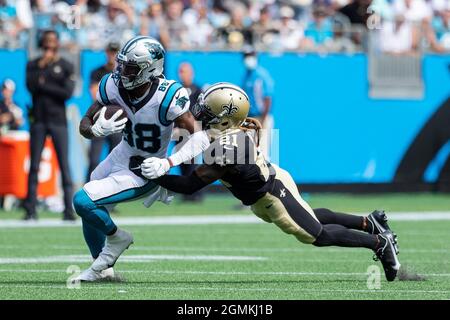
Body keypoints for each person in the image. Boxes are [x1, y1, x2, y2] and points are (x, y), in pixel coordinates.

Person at [147, 82, 401, 282]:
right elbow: (197, 140)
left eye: (206, 110)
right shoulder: (229, 131)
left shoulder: (226, 148)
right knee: (309, 214)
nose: (199, 113)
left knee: (317, 235)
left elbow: (191, 185)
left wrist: (154, 174)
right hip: (273, 179)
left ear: (224, 118)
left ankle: (379, 242)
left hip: (271, 196)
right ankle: (370, 222)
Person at [73, 36, 210, 282]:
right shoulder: (112, 85)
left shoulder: (168, 95)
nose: (122, 71)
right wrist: (93, 131)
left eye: (130, 67)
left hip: (144, 167)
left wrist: (168, 163)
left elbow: (200, 138)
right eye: (122, 64)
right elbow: (85, 120)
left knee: (83, 200)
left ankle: (116, 237)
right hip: (121, 154)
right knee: (90, 205)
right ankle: (103, 269)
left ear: (150, 69)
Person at [24, 30, 76, 221]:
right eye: (46, 44)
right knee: (34, 165)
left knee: (64, 164)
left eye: (52, 43)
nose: (48, 47)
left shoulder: (65, 65)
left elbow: (67, 93)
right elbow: (30, 86)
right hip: (38, 120)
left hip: (58, 120)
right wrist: (42, 73)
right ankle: (30, 210)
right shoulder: (33, 65)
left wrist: (44, 84)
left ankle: (68, 211)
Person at [86, 42, 122, 181]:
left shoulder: (123, 73)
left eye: (115, 52)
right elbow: (95, 95)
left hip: (118, 119)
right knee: (94, 159)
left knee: (116, 159)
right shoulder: (97, 72)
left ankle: (113, 191)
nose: (112, 55)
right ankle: (88, 187)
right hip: (99, 118)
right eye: (110, 52)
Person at [176, 62, 204, 201]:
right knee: (181, 161)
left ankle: (195, 192)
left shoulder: (198, 90)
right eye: (181, 71)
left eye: (184, 71)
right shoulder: (177, 90)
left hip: (193, 132)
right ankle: (186, 191)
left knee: (193, 161)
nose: (182, 74)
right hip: (179, 132)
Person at [241, 47, 274, 160]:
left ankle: (265, 176)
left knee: (262, 150)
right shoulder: (246, 76)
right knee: (251, 151)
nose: (248, 59)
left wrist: (263, 118)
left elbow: (268, 97)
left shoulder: (262, 75)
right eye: (246, 56)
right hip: (251, 118)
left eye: (251, 55)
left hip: (261, 117)